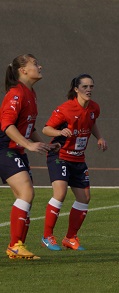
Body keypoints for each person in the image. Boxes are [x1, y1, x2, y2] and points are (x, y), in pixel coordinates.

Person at [0, 54, 60, 260]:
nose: (40, 66)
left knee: (26, 196)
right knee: (26, 192)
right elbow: (7, 125)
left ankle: (16, 248)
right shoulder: (16, 93)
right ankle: (15, 246)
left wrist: (43, 144)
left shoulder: (30, 93)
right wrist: (29, 144)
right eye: (35, 63)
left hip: (16, 150)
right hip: (4, 149)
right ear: (23, 70)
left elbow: (27, 125)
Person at [40, 74, 107, 251]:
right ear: (76, 89)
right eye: (85, 87)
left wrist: (99, 137)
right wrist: (60, 132)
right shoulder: (65, 109)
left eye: (91, 86)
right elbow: (46, 129)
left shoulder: (94, 108)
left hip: (78, 158)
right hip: (60, 156)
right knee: (60, 193)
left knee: (84, 198)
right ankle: (47, 236)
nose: (89, 90)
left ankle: (70, 238)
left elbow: (91, 122)